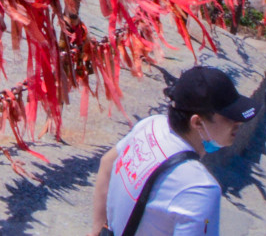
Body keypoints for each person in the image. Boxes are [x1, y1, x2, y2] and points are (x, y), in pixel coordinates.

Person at [89, 65, 255, 236]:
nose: (239, 123)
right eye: (230, 117)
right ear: (197, 123)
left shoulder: (151, 125)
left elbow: (108, 163)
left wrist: (97, 231)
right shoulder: (200, 188)